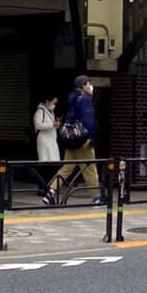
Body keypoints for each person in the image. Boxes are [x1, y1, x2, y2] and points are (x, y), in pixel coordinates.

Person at [46, 76, 102, 205]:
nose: (91, 86)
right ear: (83, 85)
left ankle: (51, 192)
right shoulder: (85, 100)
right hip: (82, 140)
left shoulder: (71, 98)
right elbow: (89, 120)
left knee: (67, 168)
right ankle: (96, 197)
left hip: (70, 139)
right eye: (89, 84)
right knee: (90, 168)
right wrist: (90, 137)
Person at [33, 94, 60, 196]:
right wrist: (52, 124)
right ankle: (42, 188)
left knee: (51, 166)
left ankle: (49, 188)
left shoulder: (51, 112)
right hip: (44, 141)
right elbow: (38, 125)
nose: (54, 105)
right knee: (44, 166)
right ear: (47, 102)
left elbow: (51, 125)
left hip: (51, 141)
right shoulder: (40, 112)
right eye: (53, 103)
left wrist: (56, 125)